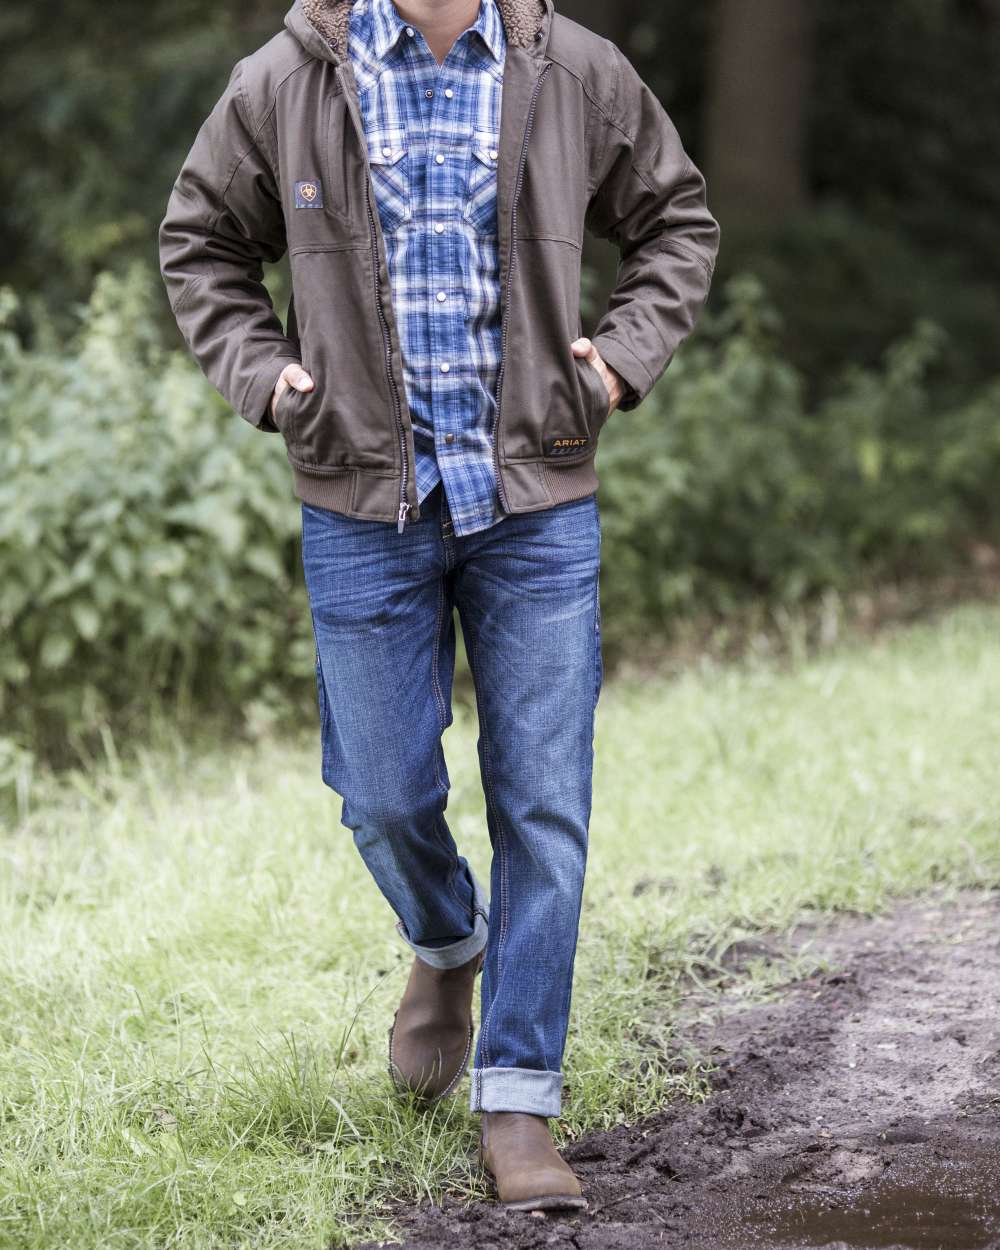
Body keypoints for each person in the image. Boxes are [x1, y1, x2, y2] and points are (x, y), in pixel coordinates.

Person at [159, 0, 719, 1212]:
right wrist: (266, 375)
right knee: (382, 789)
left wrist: (622, 355)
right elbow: (197, 242)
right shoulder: (285, 80)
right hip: (363, 499)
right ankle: (446, 941)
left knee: (544, 804)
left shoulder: (570, 68)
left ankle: (518, 1096)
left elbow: (677, 217)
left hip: (536, 493)